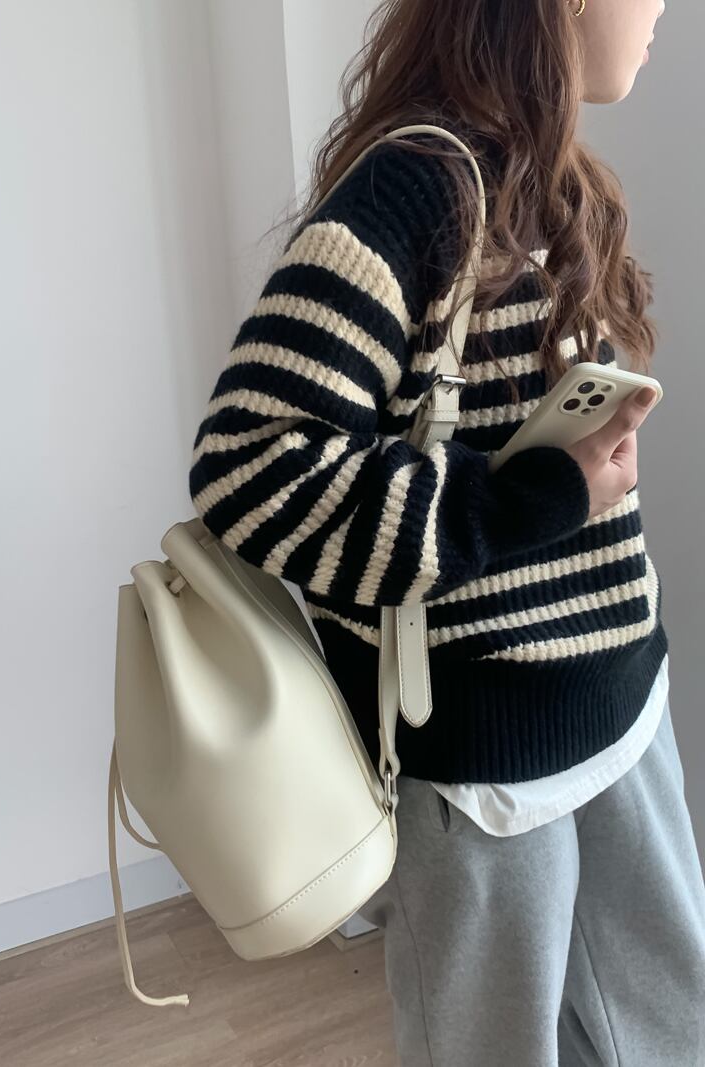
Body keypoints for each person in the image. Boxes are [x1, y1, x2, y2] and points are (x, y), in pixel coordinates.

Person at [188, 0, 705, 1063]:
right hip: (481, 776)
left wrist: (568, 474)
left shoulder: (552, 177)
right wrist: (539, 495)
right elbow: (248, 465)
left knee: (671, 1033)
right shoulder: (415, 187)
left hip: (620, 709)